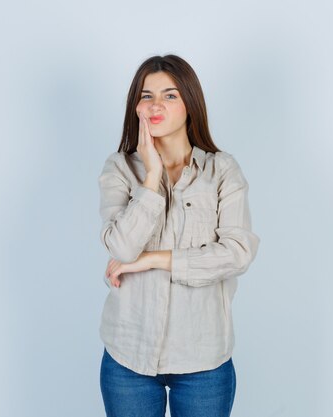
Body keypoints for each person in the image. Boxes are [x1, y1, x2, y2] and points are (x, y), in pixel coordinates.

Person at [97, 54, 260, 417]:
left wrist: (155, 259)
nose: (156, 105)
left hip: (203, 359)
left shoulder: (222, 171)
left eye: (170, 95)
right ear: (135, 107)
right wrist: (152, 175)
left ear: (190, 103)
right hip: (129, 356)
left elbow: (237, 253)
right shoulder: (119, 169)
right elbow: (121, 246)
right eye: (146, 96)